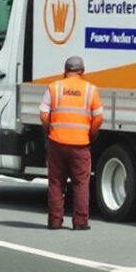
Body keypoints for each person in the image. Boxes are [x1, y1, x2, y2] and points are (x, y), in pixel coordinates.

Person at [41, 55, 104, 230]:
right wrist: (90, 133)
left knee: (56, 183)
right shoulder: (90, 90)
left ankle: (55, 221)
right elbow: (99, 117)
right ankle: (80, 222)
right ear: (83, 71)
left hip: (57, 142)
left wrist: (49, 130)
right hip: (80, 145)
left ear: (64, 71)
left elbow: (43, 114)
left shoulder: (54, 87)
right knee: (81, 183)